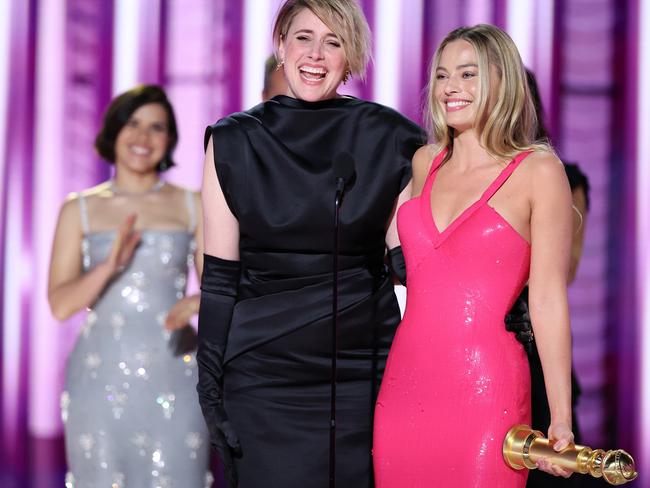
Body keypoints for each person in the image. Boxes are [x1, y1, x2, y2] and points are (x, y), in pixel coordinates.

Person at [196, 1, 427, 487]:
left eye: (334, 41)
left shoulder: (390, 138)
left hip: (362, 372)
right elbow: (219, 279)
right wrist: (209, 382)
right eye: (303, 37)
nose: (316, 54)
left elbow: (411, 269)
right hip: (264, 377)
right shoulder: (235, 140)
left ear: (352, 57)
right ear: (281, 44)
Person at [373, 24, 575, 487]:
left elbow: (546, 300)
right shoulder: (425, 162)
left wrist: (560, 417)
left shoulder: (539, 171)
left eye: (468, 74)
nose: (450, 88)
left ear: (501, 82)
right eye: (442, 76)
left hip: (487, 392)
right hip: (404, 387)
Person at [48, 85, 211, 487]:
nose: (143, 138)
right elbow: (61, 305)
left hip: (176, 371)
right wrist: (109, 266)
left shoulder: (193, 204)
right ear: (114, 131)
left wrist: (198, 301)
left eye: (156, 128)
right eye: (133, 124)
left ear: (170, 139)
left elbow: (221, 290)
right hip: (99, 377)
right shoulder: (80, 208)